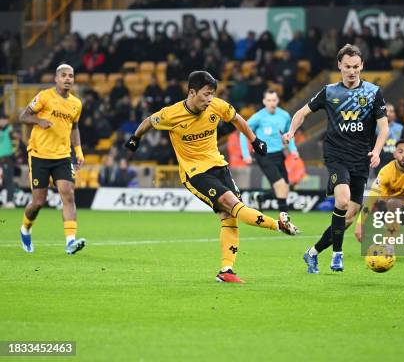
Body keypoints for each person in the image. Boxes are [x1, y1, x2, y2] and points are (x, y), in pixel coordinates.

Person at [125, 71, 299, 284]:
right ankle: (278, 225)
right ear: (192, 92)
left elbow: (236, 119)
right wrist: (135, 138)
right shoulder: (171, 114)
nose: (209, 99)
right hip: (195, 173)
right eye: (206, 94)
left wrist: (254, 140)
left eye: (212, 94)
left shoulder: (217, 106)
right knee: (232, 204)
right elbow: (149, 122)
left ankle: (226, 270)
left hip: (219, 166)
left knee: (230, 217)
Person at [284, 44, 389, 273]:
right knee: (342, 201)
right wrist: (291, 132)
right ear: (339, 66)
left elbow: (384, 128)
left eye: (356, 67)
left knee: (349, 216)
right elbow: (301, 113)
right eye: (347, 67)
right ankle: (337, 256)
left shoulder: (372, 92)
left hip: (361, 158)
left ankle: (312, 253)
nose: (352, 71)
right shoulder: (329, 92)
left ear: (362, 66)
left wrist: (377, 151)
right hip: (336, 155)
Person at [18, 64, 86, 254]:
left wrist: (78, 152)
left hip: (62, 156)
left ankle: (70, 242)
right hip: (39, 154)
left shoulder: (76, 103)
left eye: (71, 76)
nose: (67, 79)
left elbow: (75, 128)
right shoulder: (44, 96)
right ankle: (25, 229)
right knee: (38, 202)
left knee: (68, 194)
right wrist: (38, 121)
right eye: (63, 75)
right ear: (56, 78)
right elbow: (23, 116)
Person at [239, 89, 298, 217]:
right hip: (263, 155)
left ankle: (260, 197)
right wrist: (246, 154)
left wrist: (293, 150)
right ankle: (285, 220)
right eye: (269, 100)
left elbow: (289, 134)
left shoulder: (285, 116)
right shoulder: (258, 117)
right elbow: (243, 132)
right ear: (264, 101)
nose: (272, 103)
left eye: (274, 100)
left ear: (278, 100)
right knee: (281, 185)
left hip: (279, 154)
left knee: (285, 188)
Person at [377, 103, 404, 171]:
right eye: (386, 111)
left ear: (394, 114)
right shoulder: (375, 128)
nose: (388, 114)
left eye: (391, 111)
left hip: (396, 162)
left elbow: (403, 144)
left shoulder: (400, 128)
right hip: (380, 163)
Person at [0, 114, 16, 208]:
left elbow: (14, 135)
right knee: (2, 181)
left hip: (7, 159)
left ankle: (10, 201)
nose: (3, 121)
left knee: (8, 179)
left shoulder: (9, 129)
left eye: (4, 120)